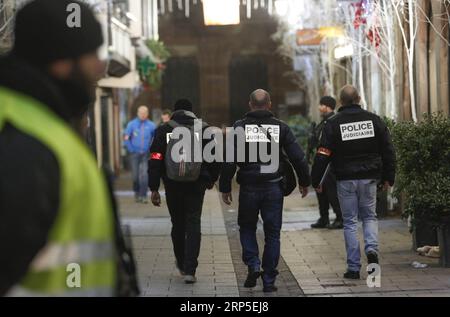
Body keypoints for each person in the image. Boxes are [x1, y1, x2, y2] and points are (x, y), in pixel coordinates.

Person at [0, 0, 129, 296]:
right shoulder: (24, 141)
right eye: (92, 55)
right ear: (60, 62)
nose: (100, 67)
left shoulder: (45, 124)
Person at [220, 89, 311, 293]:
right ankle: (269, 279)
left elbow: (228, 159)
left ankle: (253, 264)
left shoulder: (239, 127)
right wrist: (305, 181)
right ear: (269, 104)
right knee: (272, 234)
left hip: (249, 186)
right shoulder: (281, 128)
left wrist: (225, 187)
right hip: (273, 186)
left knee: (247, 227)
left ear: (250, 105)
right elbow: (298, 157)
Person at [311, 85, 396, 280]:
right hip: (369, 178)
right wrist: (388, 176)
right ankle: (372, 250)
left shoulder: (332, 124)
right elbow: (388, 149)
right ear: (358, 98)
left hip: (345, 179)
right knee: (369, 217)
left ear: (340, 102)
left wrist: (315, 179)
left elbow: (323, 153)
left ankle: (353, 268)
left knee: (349, 222)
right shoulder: (374, 120)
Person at [148, 99, 220, 284]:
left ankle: (181, 262)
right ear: (191, 111)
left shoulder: (164, 130)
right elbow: (214, 156)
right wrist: (211, 178)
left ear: (175, 111)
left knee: (177, 223)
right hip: (197, 184)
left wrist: (154, 187)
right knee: (193, 222)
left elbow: (155, 157)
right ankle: (190, 269)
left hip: (172, 183)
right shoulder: (203, 129)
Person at [308, 96, 343, 230]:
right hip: (322, 160)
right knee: (320, 191)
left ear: (327, 106)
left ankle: (340, 217)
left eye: (321, 105)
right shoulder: (323, 122)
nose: (319, 107)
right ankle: (324, 217)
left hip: (329, 163)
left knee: (331, 191)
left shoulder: (332, 121)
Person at [124, 106, 156, 204]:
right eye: (141, 113)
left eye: (144, 113)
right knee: (135, 176)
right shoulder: (131, 124)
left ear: (147, 114)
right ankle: (137, 193)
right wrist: (131, 149)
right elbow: (126, 138)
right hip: (134, 154)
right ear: (138, 113)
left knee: (145, 175)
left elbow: (155, 139)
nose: (143, 114)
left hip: (146, 154)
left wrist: (152, 150)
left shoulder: (151, 125)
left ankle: (143, 196)